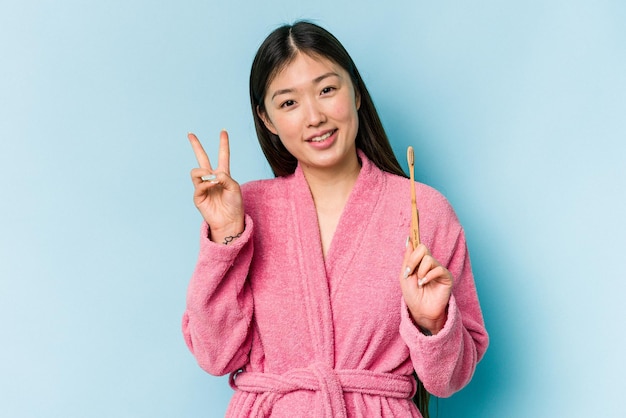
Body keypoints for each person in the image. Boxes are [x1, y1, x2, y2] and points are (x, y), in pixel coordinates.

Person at [182, 21, 488, 418]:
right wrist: (225, 236)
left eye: (327, 90)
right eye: (288, 102)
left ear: (356, 92)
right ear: (268, 120)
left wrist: (431, 322)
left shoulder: (423, 210)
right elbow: (214, 355)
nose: (314, 116)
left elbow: (448, 380)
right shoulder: (246, 210)